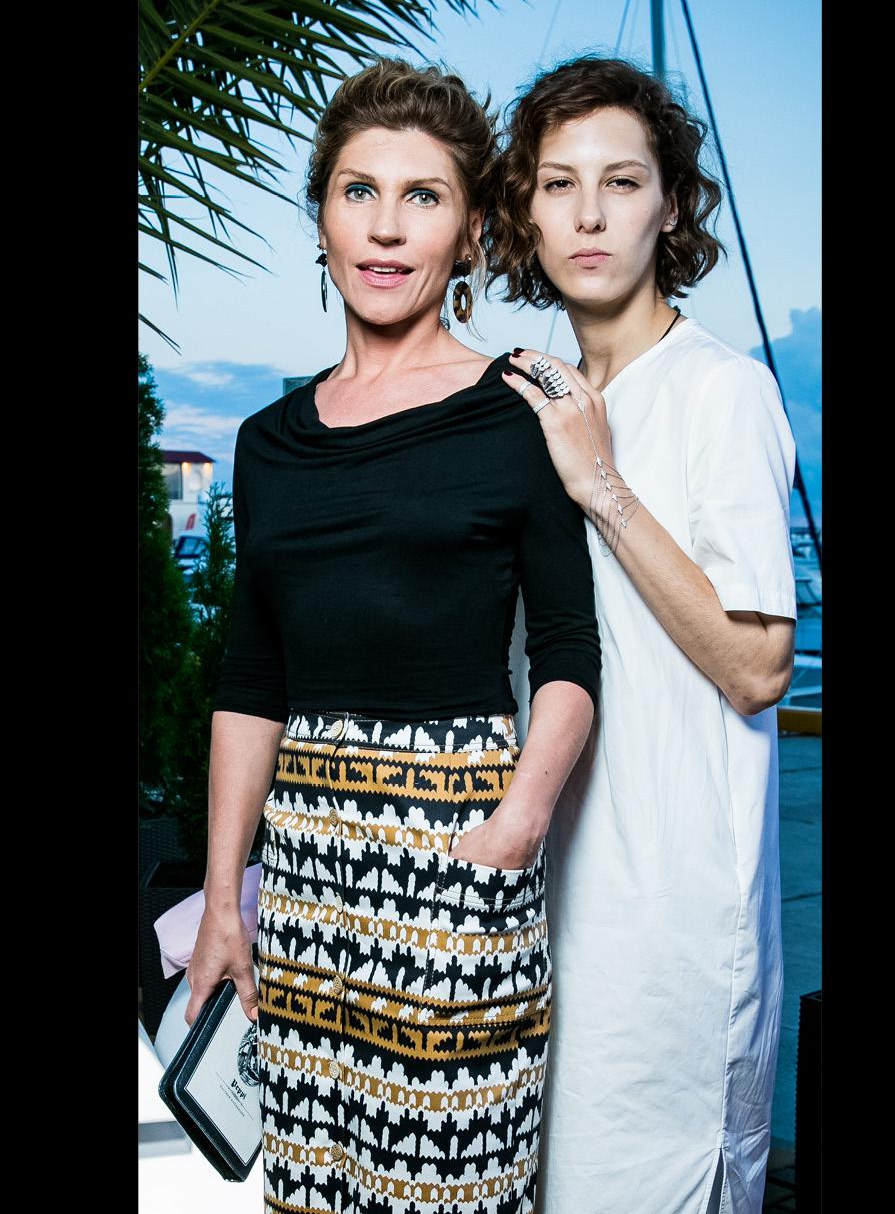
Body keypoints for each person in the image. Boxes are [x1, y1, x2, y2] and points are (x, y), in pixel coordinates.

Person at [184, 59, 600, 1214]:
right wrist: (224, 900)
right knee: (310, 1190)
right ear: (321, 216)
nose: (385, 226)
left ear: (468, 235)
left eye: (424, 197)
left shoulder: (519, 409)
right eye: (358, 190)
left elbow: (571, 652)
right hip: (305, 875)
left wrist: (515, 828)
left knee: (453, 1188)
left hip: (459, 853)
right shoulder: (268, 441)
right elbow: (252, 680)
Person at [488, 56, 798, 1214]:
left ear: (671, 206)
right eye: (558, 183)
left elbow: (759, 667)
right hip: (542, 908)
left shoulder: (722, 391)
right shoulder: (534, 399)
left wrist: (600, 483)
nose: (588, 214)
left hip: (673, 934)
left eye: (621, 182)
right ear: (525, 210)